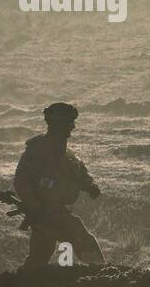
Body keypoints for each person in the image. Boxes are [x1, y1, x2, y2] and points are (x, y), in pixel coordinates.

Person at [13, 102, 105, 269]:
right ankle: (102, 276)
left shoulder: (68, 155)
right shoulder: (37, 150)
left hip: (55, 211)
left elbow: (81, 174)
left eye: (72, 123)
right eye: (69, 123)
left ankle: (26, 283)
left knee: (40, 254)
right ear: (57, 125)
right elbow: (21, 181)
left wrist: (91, 186)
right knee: (81, 237)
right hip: (45, 212)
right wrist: (35, 208)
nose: (72, 127)